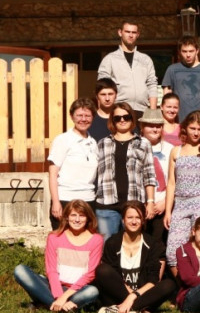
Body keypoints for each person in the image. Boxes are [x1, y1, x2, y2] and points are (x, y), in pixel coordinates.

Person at [14, 200, 102, 312]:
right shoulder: (54, 237)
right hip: (54, 286)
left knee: (92, 291)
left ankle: (46, 304)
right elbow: (51, 271)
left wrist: (64, 297)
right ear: (67, 217)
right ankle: (63, 307)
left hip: (78, 290)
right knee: (20, 270)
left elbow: (90, 274)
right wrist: (58, 296)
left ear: (88, 218)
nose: (77, 219)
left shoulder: (96, 239)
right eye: (73, 215)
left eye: (82, 216)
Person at [164, 111, 200, 275]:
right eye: (192, 128)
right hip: (181, 204)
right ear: (185, 128)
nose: (196, 133)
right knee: (173, 250)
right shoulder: (176, 151)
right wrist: (168, 211)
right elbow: (171, 183)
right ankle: (183, 286)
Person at [94, 201, 176, 313]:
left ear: (143, 220)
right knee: (102, 270)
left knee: (169, 285)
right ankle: (138, 309)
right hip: (119, 294)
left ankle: (121, 309)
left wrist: (133, 296)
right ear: (123, 220)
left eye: (138, 218)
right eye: (130, 217)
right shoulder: (112, 243)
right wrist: (129, 296)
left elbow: (153, 280)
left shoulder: (153, 244)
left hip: (142, 294)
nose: (134, 221)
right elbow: (113, 278)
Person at [94, 102, 156, 241]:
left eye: (126, 117)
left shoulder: (143, 143)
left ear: (132, 119)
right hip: (106, 204)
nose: (122, 120)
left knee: (133, 245)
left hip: (134, 204)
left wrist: (150, 201)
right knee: (107, 245)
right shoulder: (102, 143)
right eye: (117, 118)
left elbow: (149, 174)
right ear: (112, 121)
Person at [48, 97, 98, 230]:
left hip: (88, 199)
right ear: (72, 116)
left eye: (87, 116)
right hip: (66, 198)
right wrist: (56, 202)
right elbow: (53, 174)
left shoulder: (93, 143)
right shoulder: (62, 140)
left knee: (86, 239)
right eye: (79, 115)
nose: (83, 119)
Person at [96, 20, 157, 116]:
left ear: (138, 34)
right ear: (120, 32)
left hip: (142, 111)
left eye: (134, 32)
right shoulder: (110, 59)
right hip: (119, 110)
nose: (131, 35)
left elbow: (152, 84)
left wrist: (152, 112)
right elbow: (102, 87)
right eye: (127, 32)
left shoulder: (145, 60)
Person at [162, 35, 200, 122]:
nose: (188, 55)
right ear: (179, 52)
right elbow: (166, 95)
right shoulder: (172, 69)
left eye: (191, 51)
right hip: (178, 120)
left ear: (197, 51)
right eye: (184, 51)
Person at [138, 108, 172, 244]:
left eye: (158, 126)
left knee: (158, 246)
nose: (155, 129)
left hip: (162, 205)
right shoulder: (134, 146)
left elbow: (174, 179)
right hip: (140, 205)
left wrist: (165, 202)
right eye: (150, 125)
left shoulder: (170, 149)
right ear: (142, 127)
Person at [90, 77, 117, 142]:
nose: (107, 98)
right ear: (97, 96)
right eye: (103, 94)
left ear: (116, 95)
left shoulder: (123, 118)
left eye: (110, 94)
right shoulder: (89, 119)